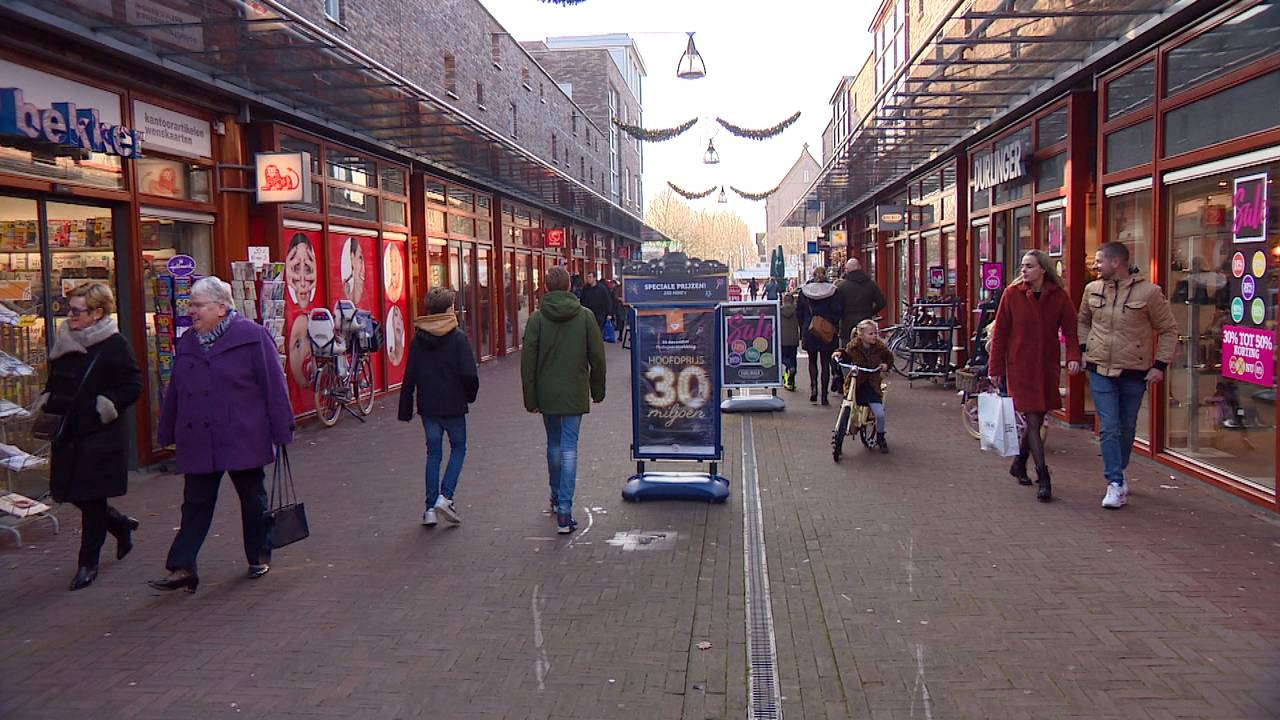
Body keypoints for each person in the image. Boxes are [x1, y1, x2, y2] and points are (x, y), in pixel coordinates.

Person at [150, 277, 294, 593]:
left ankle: (258, 555)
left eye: (198, 305)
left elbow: (274, 387)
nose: (192, 311)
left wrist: (282, 429)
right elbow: (175, 390)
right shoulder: (188, 340)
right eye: (190, 305)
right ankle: (182, 566)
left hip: (242, 434)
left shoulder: (252, 337)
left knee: (252, 498)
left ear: (221, 307)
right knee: (195, 502)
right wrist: (166, 429)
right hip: (200, 438)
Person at [42, 283, 142, 590]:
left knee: (91, 496)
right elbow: (56, 379)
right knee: (71, 493)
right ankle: (120, 525)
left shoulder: (114, 344)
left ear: (98, 313)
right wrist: (48, 399)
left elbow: (133, 384)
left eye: (76, 310)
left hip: (100, 434)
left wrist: (106, 405)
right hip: (68, 431)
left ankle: (88, 563)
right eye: (68, 309)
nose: (70, 316)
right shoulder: (65, 340)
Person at [1078, 242, 1177, 510]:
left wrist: (1160, 365)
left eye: (1099, 261)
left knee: (1126, 427)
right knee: (1108, 426)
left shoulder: (1150, 293)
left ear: (1116, 263)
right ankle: (1114, 481)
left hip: (1134, 371)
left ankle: (1118, 470)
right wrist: (1084, 349)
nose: (1095, 265)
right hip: (1100, 369)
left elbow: (1168, 330)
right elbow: (1083, 321)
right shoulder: (1092, 289)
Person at [988, 251, 1081, 502]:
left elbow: (1071, 329)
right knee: (1031, 418)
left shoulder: (1059, 296)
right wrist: (995, 369)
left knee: (1037, 419)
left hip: (1047, 366)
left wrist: (1073, 356)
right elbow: (1000, 333)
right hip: (1021, 365)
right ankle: (1043, 475)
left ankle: (1019, 463)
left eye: (1029, 266)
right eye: (1022, 266)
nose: (1024, 271)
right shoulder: (1012, 294)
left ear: (1043, 269)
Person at [521, 266, 606, 535]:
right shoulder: (585, 317)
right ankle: (565, 510)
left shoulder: (536, 319)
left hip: (547, 393)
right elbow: (598, 357)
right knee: (569, 447)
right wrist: (597, 389)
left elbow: (528, 363)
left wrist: (530, 398)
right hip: (574, 392)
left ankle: (556, 496)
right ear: (569, 285)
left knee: (554, 444)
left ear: (545, 287)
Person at [399, 287, 479, 526]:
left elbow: (409, 375)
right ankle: (445, 496)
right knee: (459, 448)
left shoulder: (418, 340)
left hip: (429, 407)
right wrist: (469, 396)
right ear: (447, 310)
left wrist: (405, 407)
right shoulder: (458, 338)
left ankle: (429, 509)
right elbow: (469, 374)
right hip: (454, 406)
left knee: (433, 453)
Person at [834, 318, 895, 453]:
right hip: (857, 383)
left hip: (872, 385)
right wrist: (839, 354)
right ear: (861, 335)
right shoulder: (853, 346)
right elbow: (846, 354)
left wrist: (885, 365)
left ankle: (880, 437)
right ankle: (841, 431)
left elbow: (889, 357)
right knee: (847, 406)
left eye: (875, 333)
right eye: (871, 334)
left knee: (879, 414)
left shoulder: (880, 348)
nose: (874, 336)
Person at [795, 266, 843, 405]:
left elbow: (799, 312)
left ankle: (814, 388)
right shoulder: (833, 291)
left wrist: (803, 327)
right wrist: (833, 324)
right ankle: (824, 396)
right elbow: (838, 310)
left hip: (809, 329)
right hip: (827, 330)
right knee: (825, 362)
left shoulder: (805, 291)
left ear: (813, 275)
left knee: (812, 361)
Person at [836, 258, 886, 345]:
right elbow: (881, 302)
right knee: (866, 350)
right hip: (866, 322)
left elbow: (836, 306)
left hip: (847, 325)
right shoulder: (871, 284)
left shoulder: (841, 286)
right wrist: (871, 312)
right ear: (859, 267)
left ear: (847, 270)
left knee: (847, 350)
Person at [779, 292, 800, 391]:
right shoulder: (797, 311)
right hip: (793, 339)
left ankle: (789, 368)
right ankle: (790, 382)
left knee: (782, 357)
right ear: (793, 300)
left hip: (782, 339)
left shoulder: (779, 311)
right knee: (793, 359)